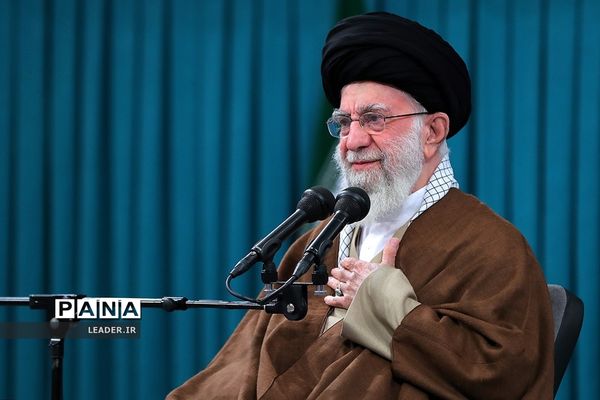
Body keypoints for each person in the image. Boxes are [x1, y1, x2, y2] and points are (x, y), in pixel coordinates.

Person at [167, 11, 553, 399]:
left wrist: (384, 300)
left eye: (374, 119)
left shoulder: (491, 247)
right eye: (344, 122)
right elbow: (243, 363)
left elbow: (503, 376)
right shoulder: (316, 243)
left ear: (433, 131)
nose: (352, 141)